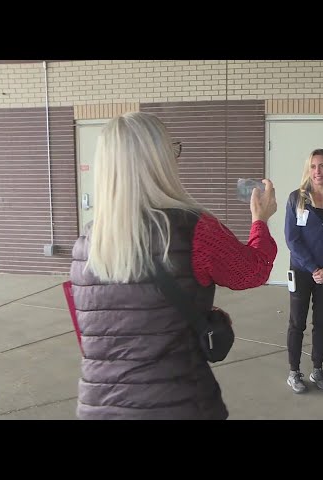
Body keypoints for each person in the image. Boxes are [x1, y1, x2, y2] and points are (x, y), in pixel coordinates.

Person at [70, 111, 277, 420]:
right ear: (159, 161)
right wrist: (260, 220)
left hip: (99, 407)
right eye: (172, 149)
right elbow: (253, 271)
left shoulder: (86, 244)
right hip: (176, 405)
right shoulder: (194, 229)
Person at [283, 148, 323, 393]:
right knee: (297, 322)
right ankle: (294, 372)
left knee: (322, 321)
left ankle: (317, 368)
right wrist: (313, 268)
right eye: (313, 166)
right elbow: (292, 239)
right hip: (301, 270)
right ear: (308, 170)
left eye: (322, 166)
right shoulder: (296, 198)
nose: (317, 171)